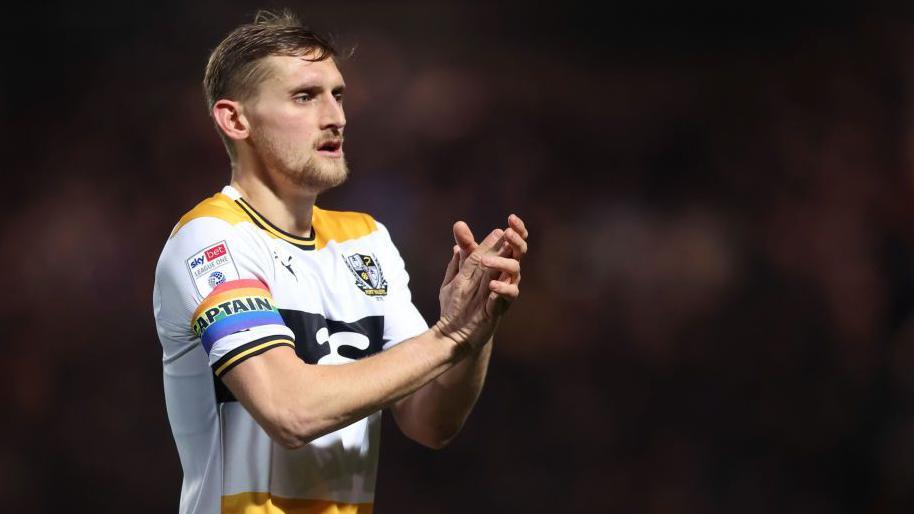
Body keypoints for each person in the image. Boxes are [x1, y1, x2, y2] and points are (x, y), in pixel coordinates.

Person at [152, 10, 528, 514]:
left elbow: (430, 422)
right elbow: (289, 410)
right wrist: (448, 337)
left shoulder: (364, 240)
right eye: (305, 96)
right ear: (235, 119)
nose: (336, 117)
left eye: (338, 94)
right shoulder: (211, 240)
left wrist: (476, 332)